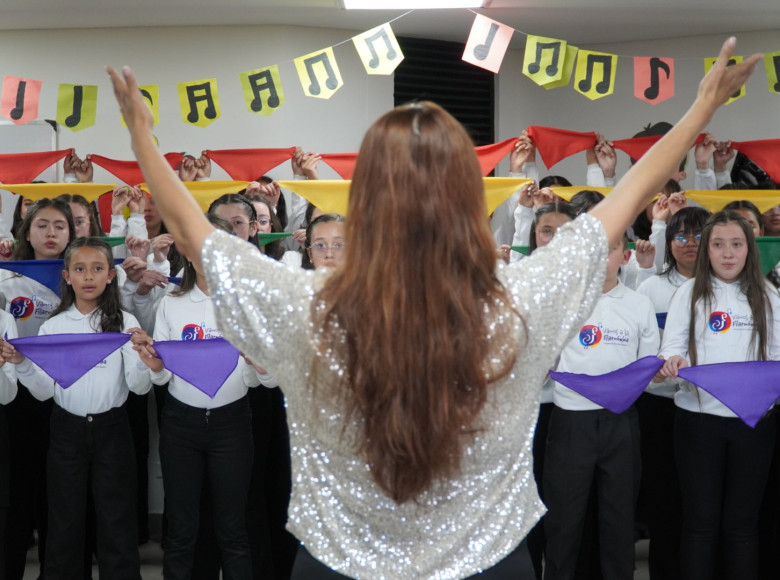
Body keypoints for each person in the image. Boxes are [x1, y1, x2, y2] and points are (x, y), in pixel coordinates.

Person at [110, 37, 760, 578]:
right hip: (490, 564)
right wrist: (700, 108)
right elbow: (625, 200)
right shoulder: (519, 302)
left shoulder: (303, 305)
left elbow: (197, 234)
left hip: (337, 565)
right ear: (468, 201)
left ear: (363, 200)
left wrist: (142, 134)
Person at [1, 237, 151, 580]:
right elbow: (43, 393)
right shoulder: (53, 327)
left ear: (110, 276)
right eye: (79, 269)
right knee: (65, 521)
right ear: (66, 276)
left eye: (97, 269)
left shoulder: (125, 322)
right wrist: (23, 362)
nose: (88, 277)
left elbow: (140, 387)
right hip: (66, 431)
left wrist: (144, 360)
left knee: (116, 521)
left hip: (113, 430)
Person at [656, 210, 780, 580]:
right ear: (707, 250)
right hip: (697, 424)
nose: (728, 253)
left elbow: (776, 355)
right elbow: (671, 346)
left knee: (742, 525)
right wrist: (670, 360)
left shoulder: (770, 295)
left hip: (754, 425)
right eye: (719, 244)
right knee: (700, 524)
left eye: (737, 244)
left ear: (749, 249)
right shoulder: (689, 293)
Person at [134, 216, 260, 579]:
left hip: (232, 423)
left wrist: (261, 366)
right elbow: (162, 376)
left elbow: (257, 381)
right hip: (180, 426)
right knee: (182, 532)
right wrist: (155, 364)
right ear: (186, 252)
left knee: (233, 530)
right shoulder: (172, 303)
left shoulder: (246, 303)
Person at [543, 235, 659, 580]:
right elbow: (543, 362)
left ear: (624, 256)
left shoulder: (639, 304)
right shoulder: (561, 302)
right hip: (570, 422)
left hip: (621, 421)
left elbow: (648, 368)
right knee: (563, 520)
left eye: (608, 250)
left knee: (618, 518)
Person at [635, 206, 709, 580]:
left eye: (698, 235)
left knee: (701, 501)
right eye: (682, 236)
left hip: (705, 408)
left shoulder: (727, 290)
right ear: (670, 242)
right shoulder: (650, 288)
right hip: (659, 407)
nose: (690, 244)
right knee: (663, 498)